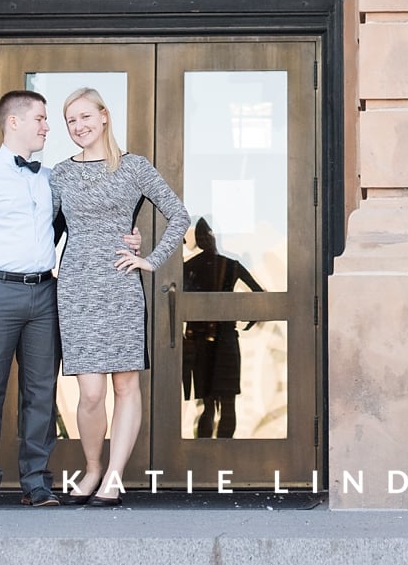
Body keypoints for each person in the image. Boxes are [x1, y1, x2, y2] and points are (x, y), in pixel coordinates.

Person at [0, 89, 141, 509]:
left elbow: (91, 224)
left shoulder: (55, 177)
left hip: (46, 293)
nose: (49, 127)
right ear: (14, 122)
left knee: (40, 392)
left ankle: (36, 481)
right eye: (41, 119)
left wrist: (131, 237)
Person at [50, 87, 190, 506]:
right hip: (75, 288)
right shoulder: (60, 173)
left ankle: (113, 476)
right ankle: (92, 468)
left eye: (85, 117)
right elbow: (48, 229)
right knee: (89, 392)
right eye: (71, 121)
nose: (79, 126)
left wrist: (150, 259)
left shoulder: (134, 167)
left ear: (104, 116)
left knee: (125, 385)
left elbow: (179, 215)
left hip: (119, 286)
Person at [182, 217, 264, 438]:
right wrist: (248, 318)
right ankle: (223, 452)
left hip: (199, 339)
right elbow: (260, 296)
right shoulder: (230, 265)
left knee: (208, 405)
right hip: (225, 337)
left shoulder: (189, 267)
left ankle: (206, 455)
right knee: (226, 404)